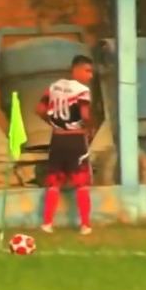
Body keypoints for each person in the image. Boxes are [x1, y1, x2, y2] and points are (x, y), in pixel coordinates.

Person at [36, 54, 94, 235]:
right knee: (82, 183)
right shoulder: (82, 91)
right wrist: (90, 128)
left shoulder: (54, 86)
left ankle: (47, 224)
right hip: (75, 139)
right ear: (76, 70)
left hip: (58, 139)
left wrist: (54, 123)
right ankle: (85, 225)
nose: (90, 75)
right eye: (87, 71)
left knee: (54, 182)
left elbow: (40, 110)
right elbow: (84, 115)